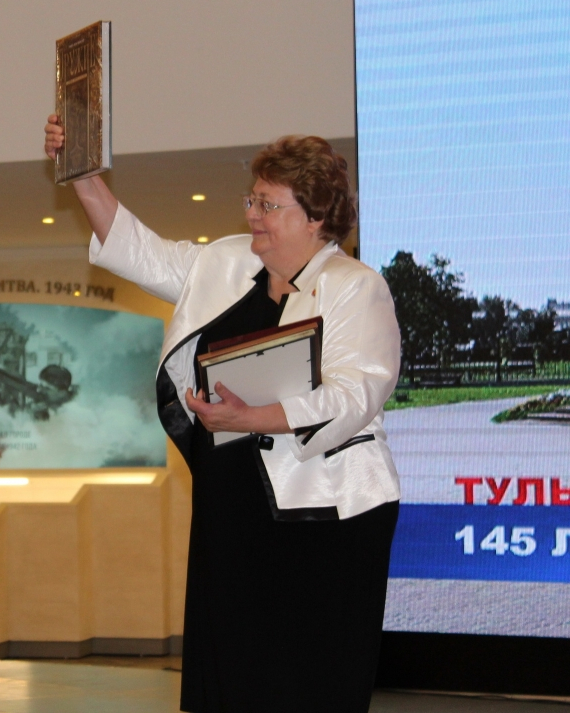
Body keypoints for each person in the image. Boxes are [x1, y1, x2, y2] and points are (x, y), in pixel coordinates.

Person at [44, 119, 401, 713]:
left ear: (316, 216)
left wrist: (252, 417)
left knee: (306, 681)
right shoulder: (227, 264)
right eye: (252, 200)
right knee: (233, 673)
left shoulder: (355, 286)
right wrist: (81, 173)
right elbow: (137, 250)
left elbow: (354, 394)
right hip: (232, 505)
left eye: (269, 205)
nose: (253, 215)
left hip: (325, 516)